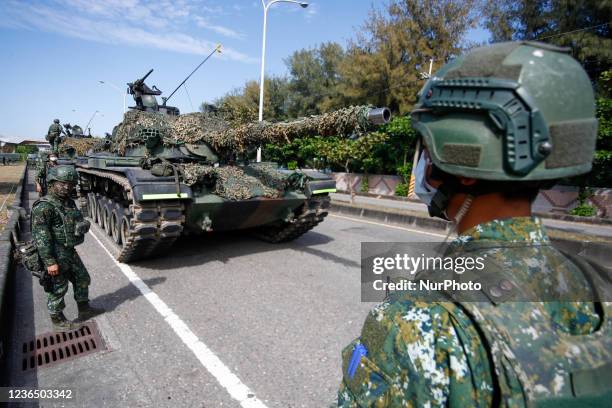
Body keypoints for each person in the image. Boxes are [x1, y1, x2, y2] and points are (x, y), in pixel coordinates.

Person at [338, 41, 611, 406]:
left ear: (463, 160)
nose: (423, 164)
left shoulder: (416, 320)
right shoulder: (596, 283)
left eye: (427, 148)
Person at [30, 165, 103, 331]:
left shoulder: (68, 202)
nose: (67, 187)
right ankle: (57, 321)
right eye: (63, 183)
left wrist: (83, 225)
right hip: (55, 253)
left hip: (69, 250)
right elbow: (42, 238)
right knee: (58, 287)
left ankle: (84, 310)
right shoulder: (44, 207)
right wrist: (50, 262)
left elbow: (76, 219)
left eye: (70, 184)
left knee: (82, 278)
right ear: (52, 182)